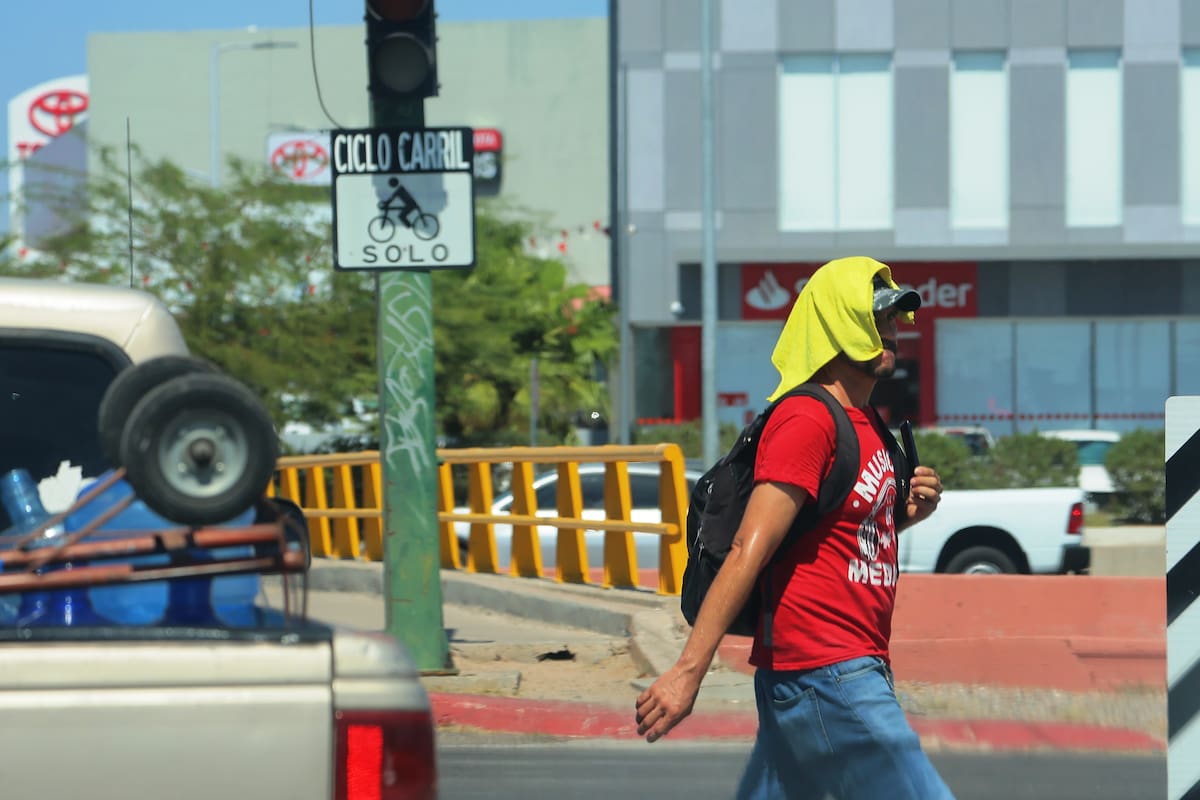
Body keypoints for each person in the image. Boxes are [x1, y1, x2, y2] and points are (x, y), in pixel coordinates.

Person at [634, 256, 954, 800]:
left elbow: (835, 540)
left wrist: (903, 516)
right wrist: (689, 670)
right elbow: (747, 550)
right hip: (825, 671)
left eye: (896, 317)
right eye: (878, 317)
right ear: (838, 323)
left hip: (845, 666)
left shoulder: (869, 425)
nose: (893, 329)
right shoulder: (806, 420)